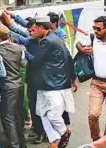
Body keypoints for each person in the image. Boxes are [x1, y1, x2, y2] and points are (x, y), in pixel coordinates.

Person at [23, 17, 77, 148]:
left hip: (51, 85)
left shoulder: (46, 41)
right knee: (43, 113)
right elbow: (69, 58)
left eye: (35, 30)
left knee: (52, 115)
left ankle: (64, 132)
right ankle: (54, 142)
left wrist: (23, 50)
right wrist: (73, 78)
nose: (32, 33)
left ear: (41, 28)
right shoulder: (56, 38)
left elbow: (35, 61)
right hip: (48, 83)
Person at [0, 24, 28, 148]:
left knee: (7, 117)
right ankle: (22, 144)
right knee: (17, 116)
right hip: (18, 84)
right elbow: (23, 63)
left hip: (6, 87)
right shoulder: (18, 47)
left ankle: (14, 145)